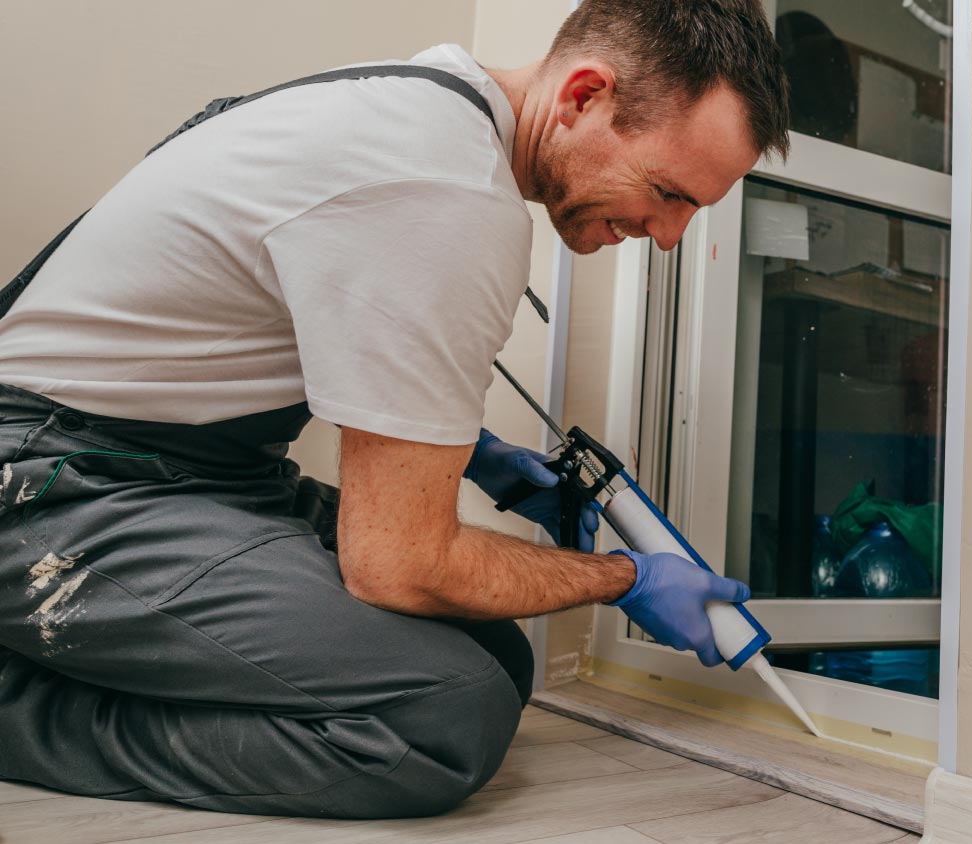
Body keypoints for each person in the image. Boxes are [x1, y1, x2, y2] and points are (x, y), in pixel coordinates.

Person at [0, 0, 789, 819]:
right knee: (440, 715)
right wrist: (625, 579)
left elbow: (318, 325)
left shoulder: (429, 101)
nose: (669, 235)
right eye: (668, 192)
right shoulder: (443, 188)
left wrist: (474, 451)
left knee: (495, 655)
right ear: (583, 95)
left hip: (181, 467)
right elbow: (398, 564)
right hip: (49, 484)